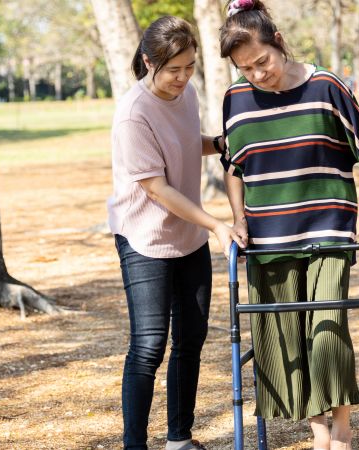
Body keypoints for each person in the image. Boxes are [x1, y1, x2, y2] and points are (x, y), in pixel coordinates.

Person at [217, 1, 359, 449]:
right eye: (246, 69)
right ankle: (318, 432)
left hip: (327, 230)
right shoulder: (235, 99)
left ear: (278, 42)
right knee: (283, 340)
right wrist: (238, 220)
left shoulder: (326, 86)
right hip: (267, 240)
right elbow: (233, 167)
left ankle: (340, 431)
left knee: (326, 331)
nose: (258, 75)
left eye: (262, 62)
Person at [107, 15, 244, 450]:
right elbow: (157, 189)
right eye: (173, 70)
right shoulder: (134, 114)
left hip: (189, 236)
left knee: (191, 339)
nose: (183, 78)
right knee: (149, 346)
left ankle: (179, 440)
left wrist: (220, 143)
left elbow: (186, 141)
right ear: (149, 62)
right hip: (145, 239)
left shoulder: (186, 95)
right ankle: (135, 445)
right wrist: (217, 224)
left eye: (189, 67)